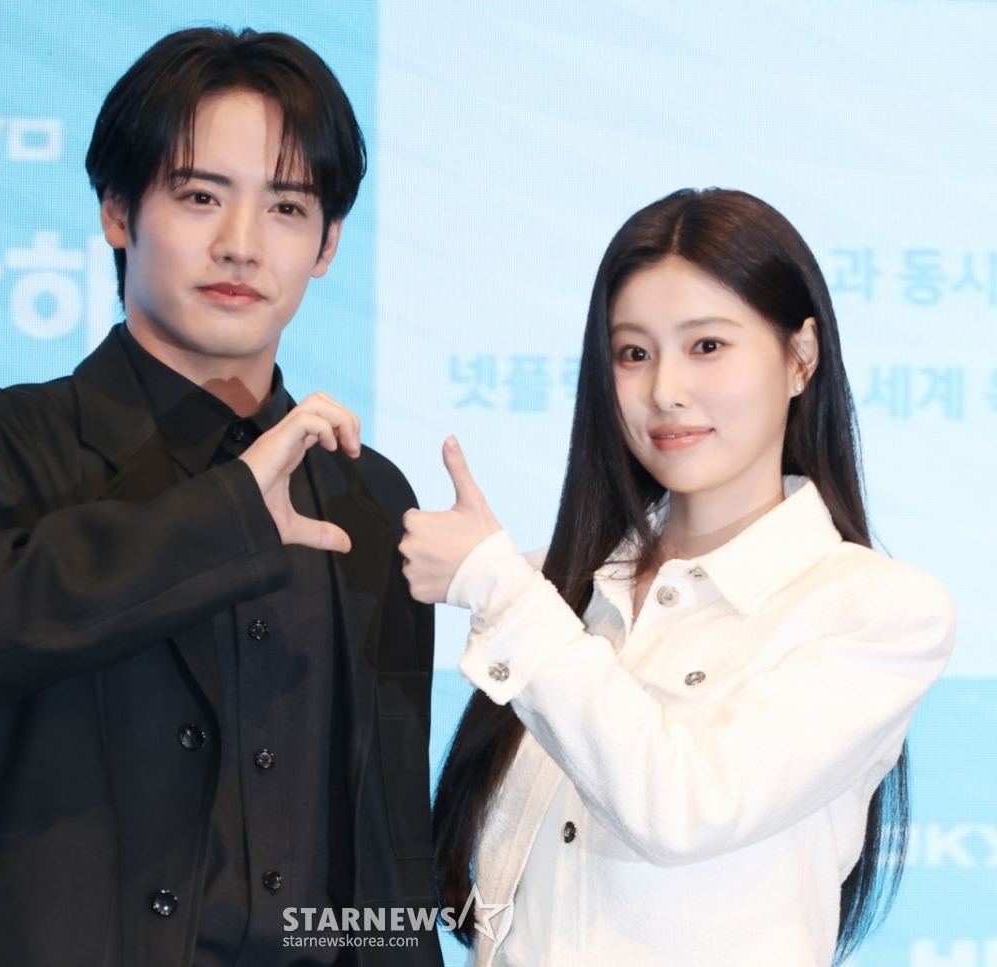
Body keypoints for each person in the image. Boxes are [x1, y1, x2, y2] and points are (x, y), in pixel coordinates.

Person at [0, 28, 442, 967]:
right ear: (118, 212)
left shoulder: (367, 494)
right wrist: (230, 517)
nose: (241, 245)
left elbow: (385, 848)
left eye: (287, 207)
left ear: (328, 244)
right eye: (200, 195)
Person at [399, 188, 954, 967]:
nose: (664, 390)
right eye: (633, 353)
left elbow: (683, 806)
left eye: (707, 346)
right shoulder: (554, 594)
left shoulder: (878, 611)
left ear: (801, 357)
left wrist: (500, 589)